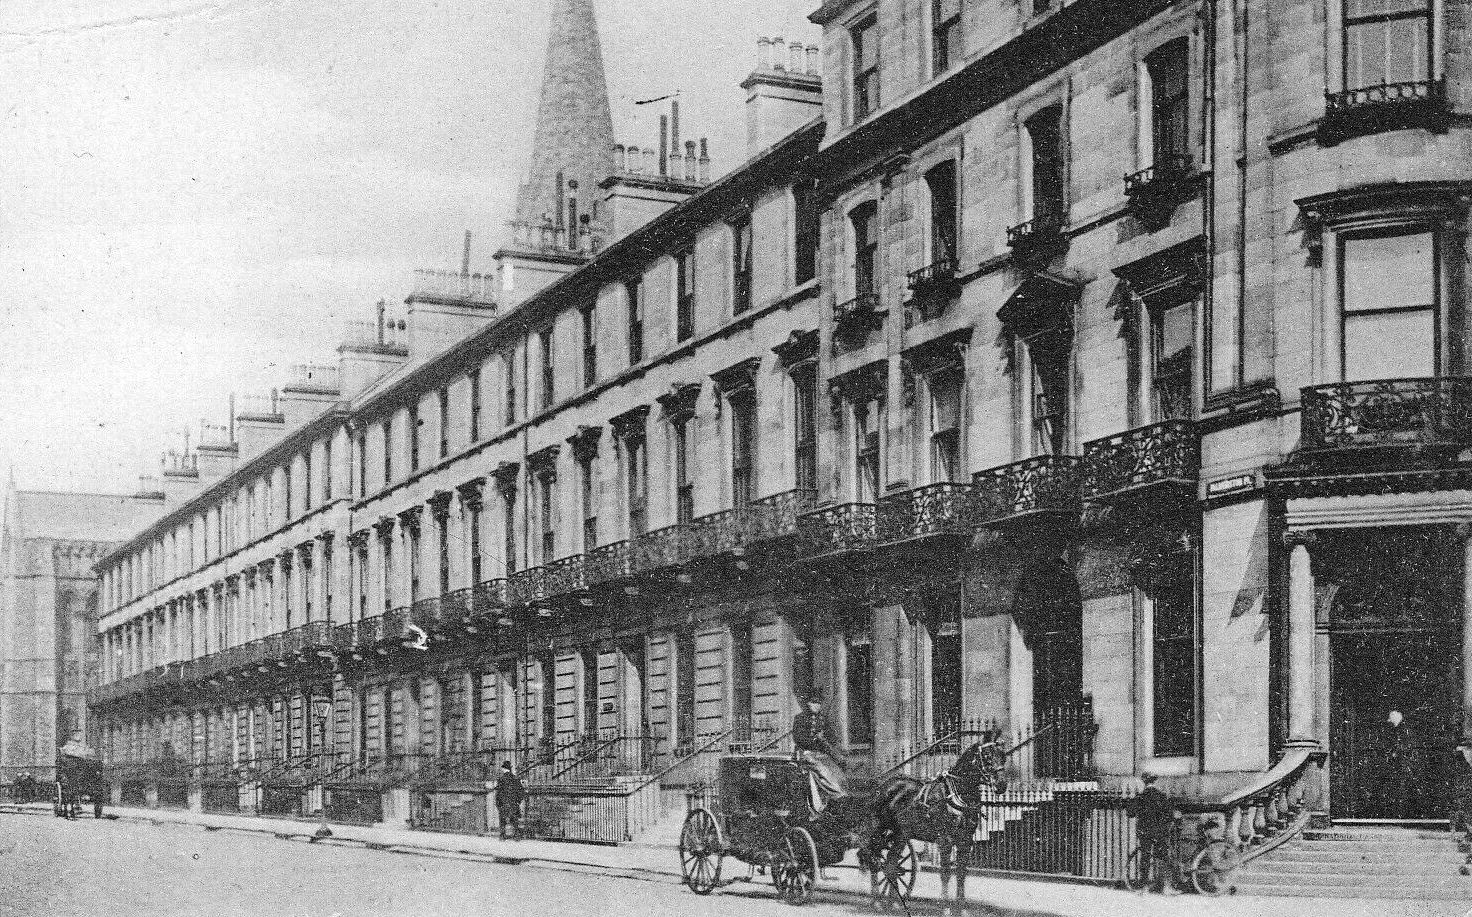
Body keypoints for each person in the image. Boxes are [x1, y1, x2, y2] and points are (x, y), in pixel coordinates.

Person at [793, 699, 847, 814]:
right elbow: (798, 739)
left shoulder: (822, 719)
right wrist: (815, 740)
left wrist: (830, 745)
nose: (818, 706)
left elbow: (831, 736)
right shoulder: (800, 718)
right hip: (806, 752)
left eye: (819, 703)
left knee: (835, 770)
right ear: (808, 704)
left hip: (820, 753)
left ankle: (836, 799)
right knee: (821, 770)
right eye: (815, 703)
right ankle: (837, 793)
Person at [1130, 773, 1178, 894]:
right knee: (1163, 857)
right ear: (1155, 782)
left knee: (1145, 858)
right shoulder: (1161, 796)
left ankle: (1143, 886)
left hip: (1145, 832)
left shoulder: (1140, 796)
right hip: (1159, 832)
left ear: (1144, 783)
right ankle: (1165, 886)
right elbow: (1170, 815)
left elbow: (1130, 812)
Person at [1381, 710, 1422, 819]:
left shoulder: (1403, 729)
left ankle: (1405, 814)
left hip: (1405, 764)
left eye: (1390, 718)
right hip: (1403, 764)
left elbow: (1404, 746)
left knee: (1404, 787)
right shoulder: (1401, 728)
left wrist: (1395, 753)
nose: (1389, 721)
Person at [494, 760, 525, 840]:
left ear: (504, 769)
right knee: (514, 820)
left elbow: (498, 793)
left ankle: (502, 835)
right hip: (513, 803)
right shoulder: (515, 778)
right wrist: (518, 801)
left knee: (502, 820)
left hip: (504, 804)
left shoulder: (501, 779)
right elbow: (521, 791)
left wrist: (498, 803)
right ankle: (516, 836)